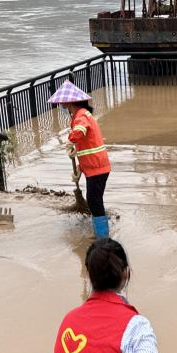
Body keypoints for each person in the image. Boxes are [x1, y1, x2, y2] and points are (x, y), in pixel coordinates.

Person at [49, 81, 112, 239]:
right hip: (94, 166)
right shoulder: (82, 114)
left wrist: (70, 140)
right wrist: (80, 167)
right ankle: (100, 231)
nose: (62, 106)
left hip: (97, 168)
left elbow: (80, 131)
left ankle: (103, 236)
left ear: (70, 102)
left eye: (63, 103)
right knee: (95, 200)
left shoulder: (81, 115)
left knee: (93, 201)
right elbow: (88, 144)